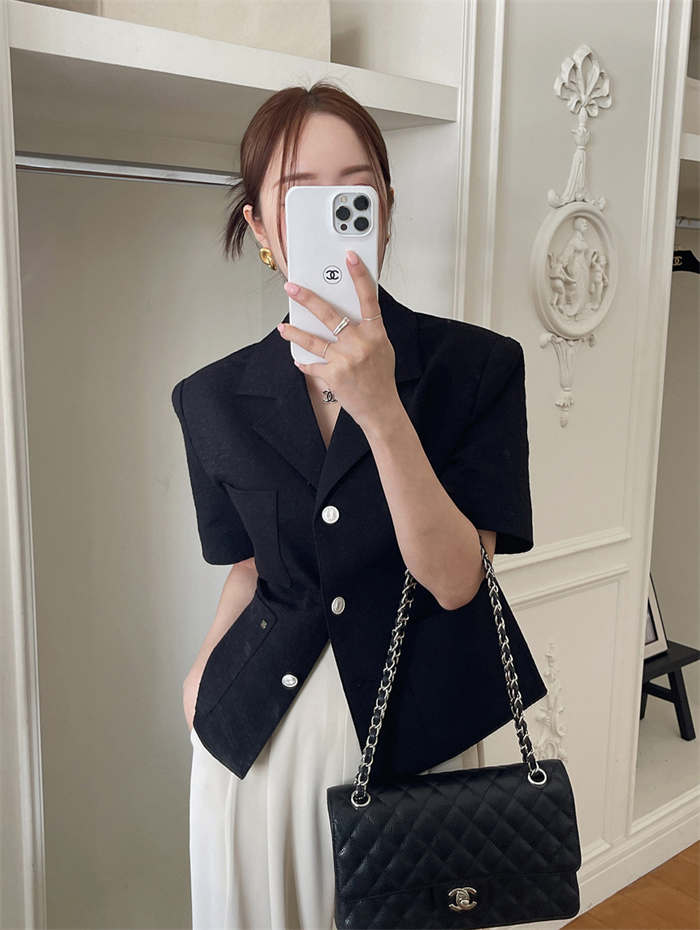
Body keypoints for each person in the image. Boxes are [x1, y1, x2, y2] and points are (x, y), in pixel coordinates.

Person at [172, 80, 547, 930]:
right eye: (299, 194)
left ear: (384, 209)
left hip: (422, 741)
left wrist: (381, 408)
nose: (333, 212)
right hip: (263, 739)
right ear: (262, 228)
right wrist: (199, 676)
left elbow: (457, 580)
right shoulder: (210, 398)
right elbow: (250, 567)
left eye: (355, 189)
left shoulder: (477, 368)